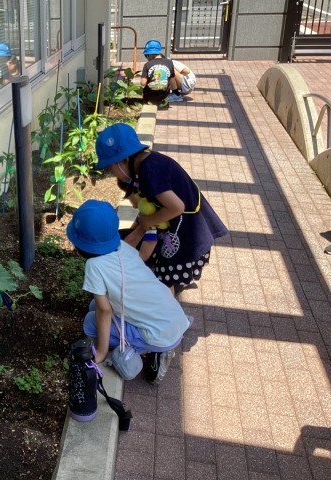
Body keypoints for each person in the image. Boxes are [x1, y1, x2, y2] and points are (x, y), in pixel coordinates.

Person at [95, 122, 228, 295]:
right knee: (161, 267)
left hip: (187, 232)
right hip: (178, 225)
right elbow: (148, 210)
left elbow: (176, 207)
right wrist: (139, 228)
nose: (112, 173)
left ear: (124, 160)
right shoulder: (146, 164)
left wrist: (147, 222)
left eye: (111, 167)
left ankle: (169, 308)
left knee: (165, 277)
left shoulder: (150, 172)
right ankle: (176, 286)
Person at [66, 199, 190, 384]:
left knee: (91, 321)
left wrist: (100, 352)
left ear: (79, 243)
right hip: (173, 318)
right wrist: (141, 228)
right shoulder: (121, 248)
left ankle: (145, 351)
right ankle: (150, 345)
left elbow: (104, 311)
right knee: (93, 305)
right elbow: (132, 246)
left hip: (158, 335)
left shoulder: (94, 265)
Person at [140, 39, 176, 105]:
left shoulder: (147, 65)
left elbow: (143, 83)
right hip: (164, 95)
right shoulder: (169, 62)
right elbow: (172, 80)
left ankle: (147, 102)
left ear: (150, 54)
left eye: (146, 55)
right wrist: (176, 92)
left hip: (150, 95)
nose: (147, 58)